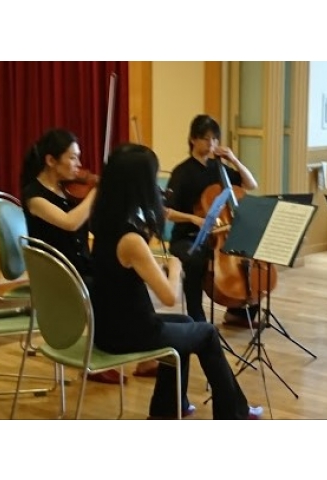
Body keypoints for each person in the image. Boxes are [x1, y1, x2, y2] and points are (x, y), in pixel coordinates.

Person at [89, 142, 264, 420]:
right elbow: (170, 297)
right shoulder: (131, 238)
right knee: (207, 333)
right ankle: (234, 414)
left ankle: (169, 408)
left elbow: (123, 274)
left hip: (110, 326)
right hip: (128, 333)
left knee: (186, 325)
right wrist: (174, 266)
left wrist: (156, 264)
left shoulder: (107, 222)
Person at [19, 128, 128, 384]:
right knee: (110, 288)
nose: (79, 165)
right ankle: (97, 358)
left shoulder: (65, 189)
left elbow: (88, 225)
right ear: (50, 160)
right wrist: (95, 193)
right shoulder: (34, 196)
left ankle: (134, 352)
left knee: (128, 275)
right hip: (59, 275)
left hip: (80, 266)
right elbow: (69, 223)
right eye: (73, 157)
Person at [166, 114, 259, 328]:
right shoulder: (182, 172)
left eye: (215, 139)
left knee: (250, 253)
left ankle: (239, 312)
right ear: (193, 139)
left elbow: (251, 184)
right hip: (187, 236)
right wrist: (194, 219)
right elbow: (166, 211)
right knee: (195, 259)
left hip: (219, 235)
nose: (211, 144)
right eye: (206, 138)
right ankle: (196, 318)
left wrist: (233, 159)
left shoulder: (219, 168)